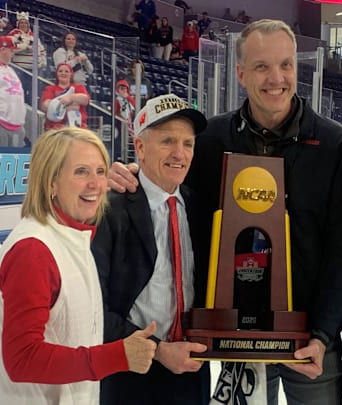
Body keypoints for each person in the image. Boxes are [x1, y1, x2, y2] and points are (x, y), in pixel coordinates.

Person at [108, 19, 342, 405]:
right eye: (262, 66)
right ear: (240, 73)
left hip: (308, 343)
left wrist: (323, 335)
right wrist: (134, 174)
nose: (277, 78)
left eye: (285, 65)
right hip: (232, 338)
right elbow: (171, 175)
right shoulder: (210, 140)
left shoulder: (333, 143)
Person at [0, 127, 158, 404]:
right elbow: (21, 359)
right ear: (50, 182)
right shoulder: (33, 251)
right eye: (81, 171)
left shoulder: (74, 236)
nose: (96, 185)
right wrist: (118, 355)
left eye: (100, 171)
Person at [92, 93, 210, 404]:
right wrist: (159, 350)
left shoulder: (200, 208)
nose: (179, 153)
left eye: (188, 144)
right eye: (168, 141)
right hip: (131, 372)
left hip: (191, 369)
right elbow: (93, 310)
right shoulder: (111, 210)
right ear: (140, 148)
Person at [40, 63, 90, 131]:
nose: (63, 73)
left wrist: (70, 98)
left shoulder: (79, 87)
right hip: (55, 129)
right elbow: (45, 106)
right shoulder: (50, 89)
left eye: (66, 71)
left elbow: (85, 100)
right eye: (60, 71)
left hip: (77, 129)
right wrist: (72, 104)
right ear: (57, 74)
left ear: (71, 74)